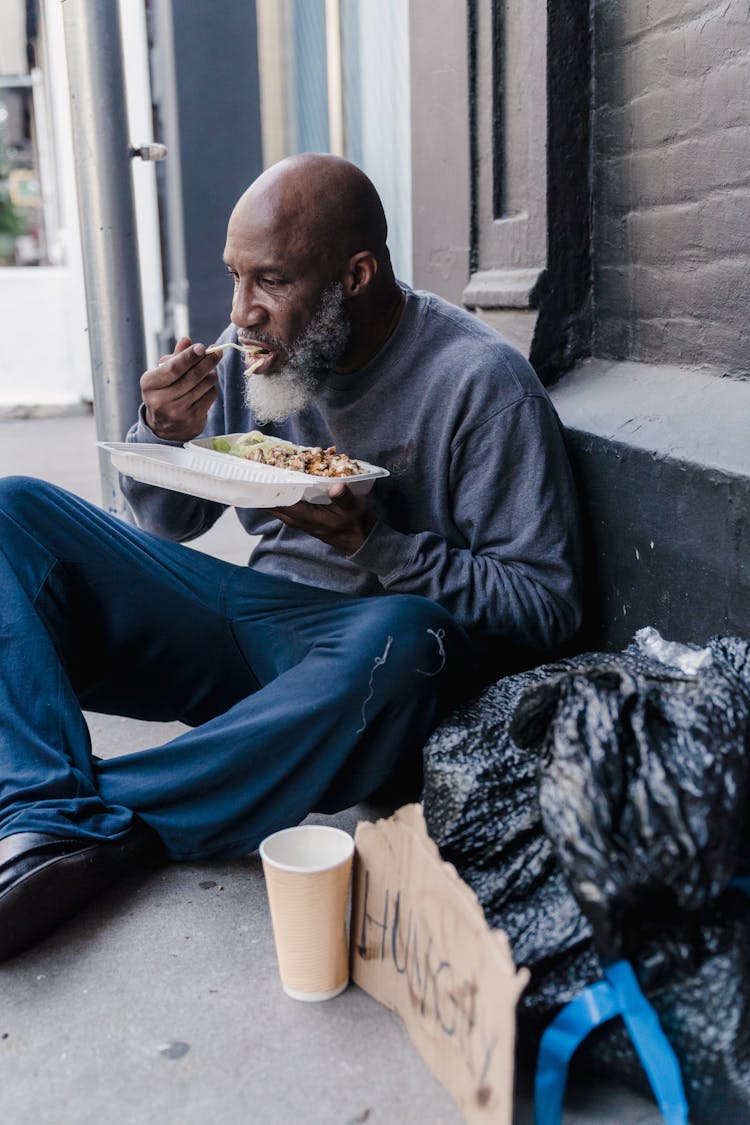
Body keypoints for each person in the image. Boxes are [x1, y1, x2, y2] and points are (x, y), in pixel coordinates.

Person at [0, 154, 582, 960]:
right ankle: (43, 805)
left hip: (368, 679)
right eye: (235, 278)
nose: (241, 314)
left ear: (355, 274)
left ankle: (69, 826)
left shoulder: (479, 383)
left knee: (409, 640)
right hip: (252, 630)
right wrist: (164, 432)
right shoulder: (256, 359)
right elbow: (172, 521)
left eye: (269, 281)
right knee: (13, 510)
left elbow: (547, 608)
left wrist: (376, 543)